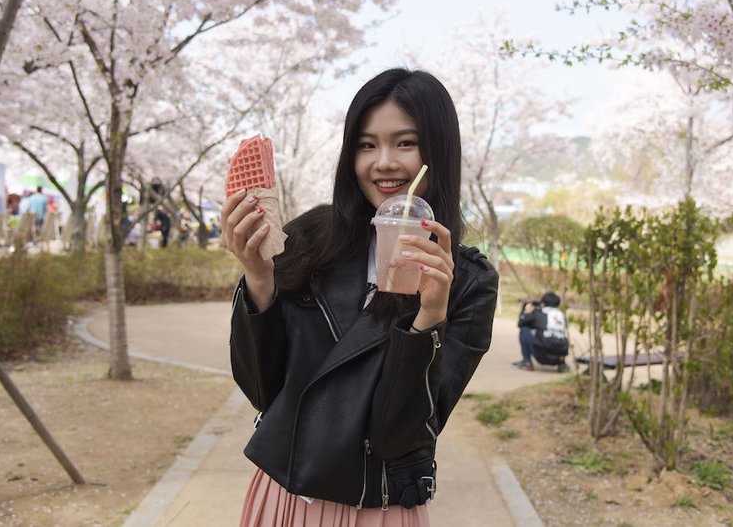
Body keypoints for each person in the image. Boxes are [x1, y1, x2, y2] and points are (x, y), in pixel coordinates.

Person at [222, 68, 499, 524]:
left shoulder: (468, 281)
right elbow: (261, 390)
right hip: (284, 496)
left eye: (405, 143)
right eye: (366, 145)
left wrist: (428, 317)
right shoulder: (309, 239)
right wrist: (258, 279)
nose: (384, 162)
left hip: (379, 508)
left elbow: (401, 435)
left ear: (438, 151)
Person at [514, 292, 569, 372]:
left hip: (541, 355)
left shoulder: (538, 313)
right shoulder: (562, 315)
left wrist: (526, 311)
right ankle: (562, 364)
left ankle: (527, 362)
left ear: (543, 303)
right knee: (559, 336)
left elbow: (520, 323)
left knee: (525, 329)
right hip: (559, 356)